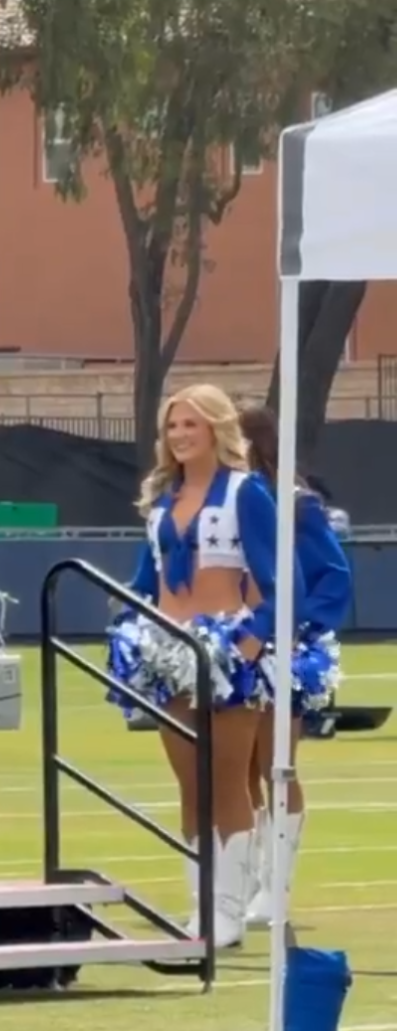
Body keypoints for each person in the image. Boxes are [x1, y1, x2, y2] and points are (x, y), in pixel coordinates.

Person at [104, 384, 299, 949]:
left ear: (216, 428)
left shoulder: (246, 494)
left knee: (229, 779)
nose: (181, 436)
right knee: (190, 784)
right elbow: (150, 576)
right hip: (169, 647)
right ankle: (201, 904)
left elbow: (276, 578)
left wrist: (253, 641)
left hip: (226, 646)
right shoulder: (161, 500)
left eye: (191, 425)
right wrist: (129, 619)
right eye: (172, 427)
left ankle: (230, 912)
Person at [237, 405, 351, 928]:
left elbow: (332, 575)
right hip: (230, 644)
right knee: (234, 768)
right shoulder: (217, 502)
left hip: (284, 647)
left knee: (273, 764)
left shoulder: (296, 505)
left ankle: (273, 884)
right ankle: (239, 878)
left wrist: (297, 628)